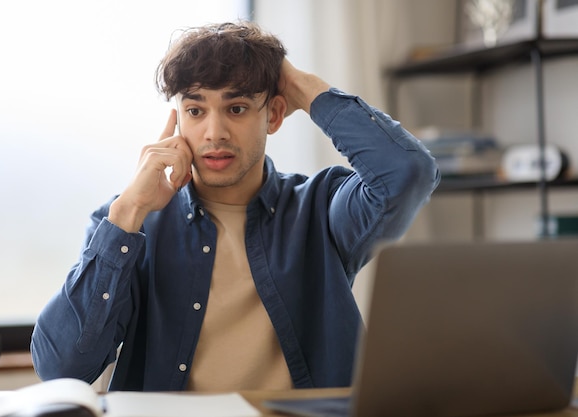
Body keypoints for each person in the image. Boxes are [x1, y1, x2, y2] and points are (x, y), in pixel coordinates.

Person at [31, 21, 440, 392]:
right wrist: (127, 211)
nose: (214, 132)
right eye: (195, 110)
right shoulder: (130, 225)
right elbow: (61, 370)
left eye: (237, 108)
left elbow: (408, 171)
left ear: (274, 114)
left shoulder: (321, 208)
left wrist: (303, 87)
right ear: (178, 120)